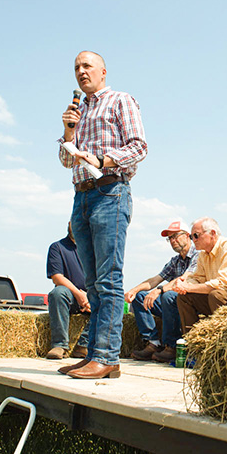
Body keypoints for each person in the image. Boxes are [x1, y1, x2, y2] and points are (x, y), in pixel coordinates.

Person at [56, 51, 147, 379]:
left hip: (111, 192)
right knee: (92, 283)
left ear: (103, 72)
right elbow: (66, 161)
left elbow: (139, 146)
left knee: (108, 279)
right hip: (81, 198)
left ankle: (108, 357)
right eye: (76, 68)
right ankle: (95, 355)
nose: (81, 72)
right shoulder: (77, 113)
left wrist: (102, 160)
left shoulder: (120, 100)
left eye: (87, 66)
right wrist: (69, 132)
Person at [171, 217, 227, 336]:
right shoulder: (203, 254)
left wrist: (188, 287)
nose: (193, 240)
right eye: (191, 237)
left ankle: (222, 340)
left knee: (216, 295)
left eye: (196, 236)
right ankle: (191, 343)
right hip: (223, 298)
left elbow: (226, 284)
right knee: (184, 297)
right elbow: (197, 278)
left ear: (212, 233)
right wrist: (184, 285)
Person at [125, 221, 199, 363]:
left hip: (189, 304)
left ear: (187, 235)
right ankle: (153, 342)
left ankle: (171, 346)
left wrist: (159, 290)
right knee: (140, 297)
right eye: (170, 238)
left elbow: (184, 279)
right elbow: (155, 279)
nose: (173, 241)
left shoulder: (198, 255)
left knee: (168, 296)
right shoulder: (175, 261)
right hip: (172, 305)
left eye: (176, 236)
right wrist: (134, 290)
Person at [45, 223, 90, 360]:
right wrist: (79, 294)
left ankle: (83, 346)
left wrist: (90, 298)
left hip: (89, 297)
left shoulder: (92, 249)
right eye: (73, 222)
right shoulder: (57, 247)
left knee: (109, 300)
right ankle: (60, 345)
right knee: (57, 293)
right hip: (70, 296)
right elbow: (57, 277)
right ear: (69, 224)